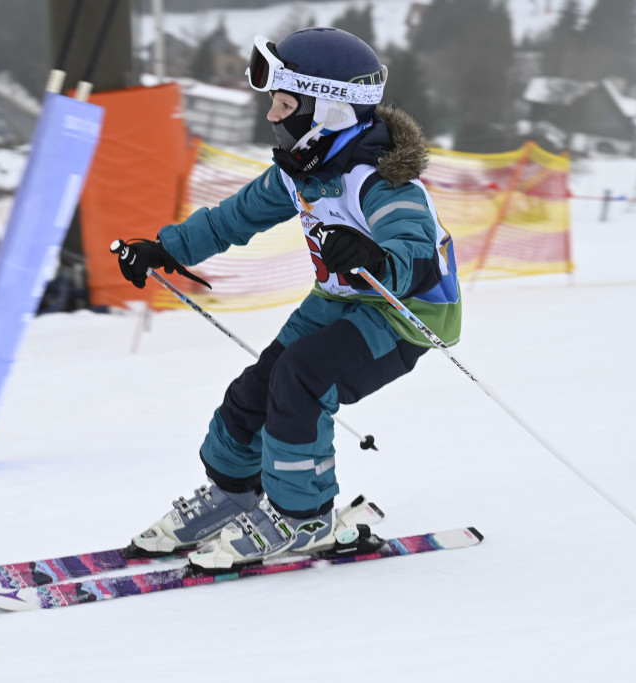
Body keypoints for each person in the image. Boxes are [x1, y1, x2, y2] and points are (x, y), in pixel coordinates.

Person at [112, 27, 461, 570]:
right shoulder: (302, 169)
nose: (273, 116)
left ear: (331, 109)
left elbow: (418, 252)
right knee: (252, 393)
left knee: (302, 378)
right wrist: (164, 249)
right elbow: (235, 217)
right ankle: (234, 496)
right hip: (337, 299)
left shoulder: (383, 182)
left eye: (285, 102)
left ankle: (304, 518)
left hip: (402, 313)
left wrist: (374, 258)